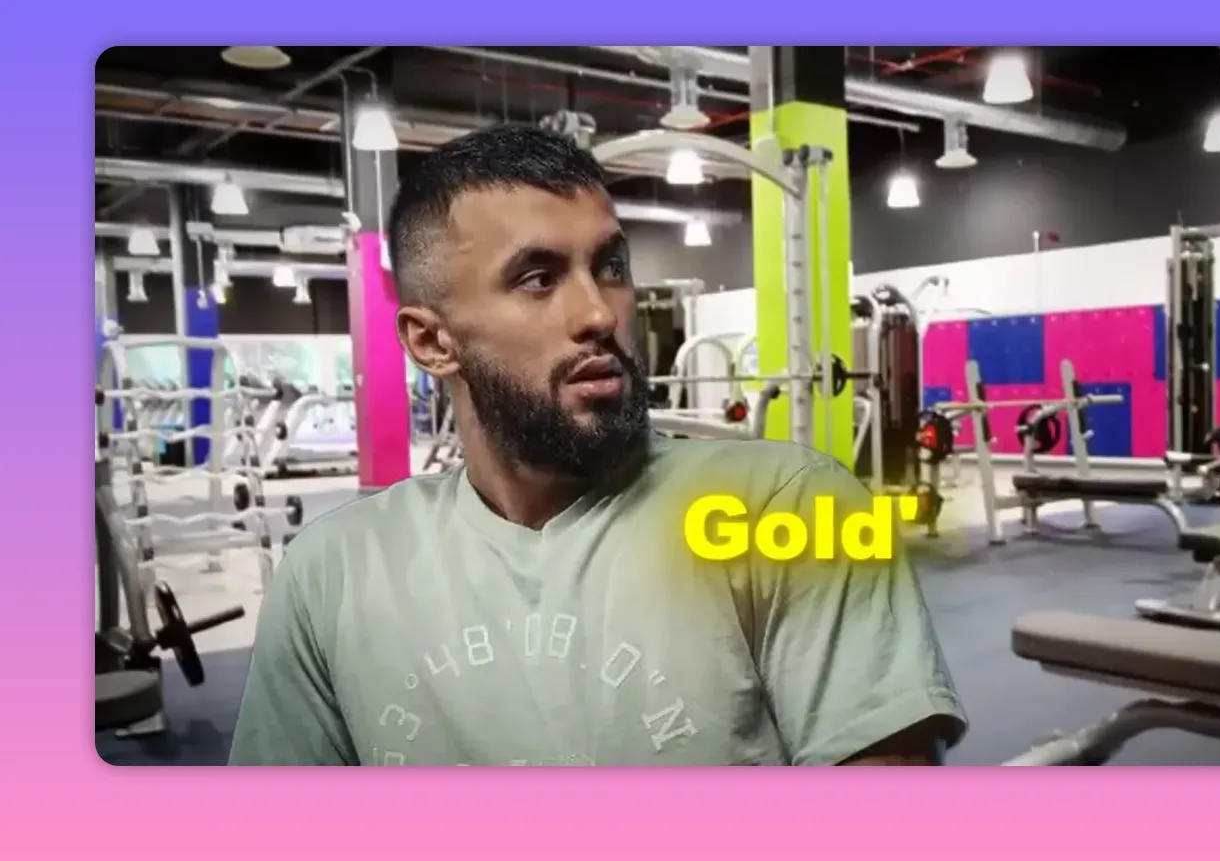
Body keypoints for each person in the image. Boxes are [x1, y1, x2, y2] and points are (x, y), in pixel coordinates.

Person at [229, 125, 967, 767]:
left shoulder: (795, 505)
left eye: (610, 266)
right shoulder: (330, 573)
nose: (599, 312)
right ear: (431, 340)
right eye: (538, 277)